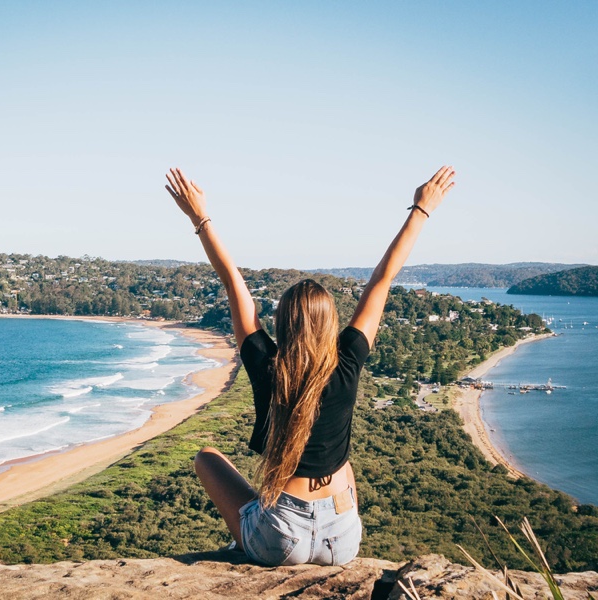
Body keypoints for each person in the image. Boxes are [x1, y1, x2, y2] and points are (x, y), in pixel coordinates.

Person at [165, 166, 456, 566]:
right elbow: (382, 280)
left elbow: (233, 281)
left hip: (279, 538)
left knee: (206, 458)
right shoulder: (348, 359)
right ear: (330, 324)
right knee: (345, 463)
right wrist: (421, 210)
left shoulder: (267, 365)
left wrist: (200, 217)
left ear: (283, 323)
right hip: (342, 541)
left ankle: (244, 545)